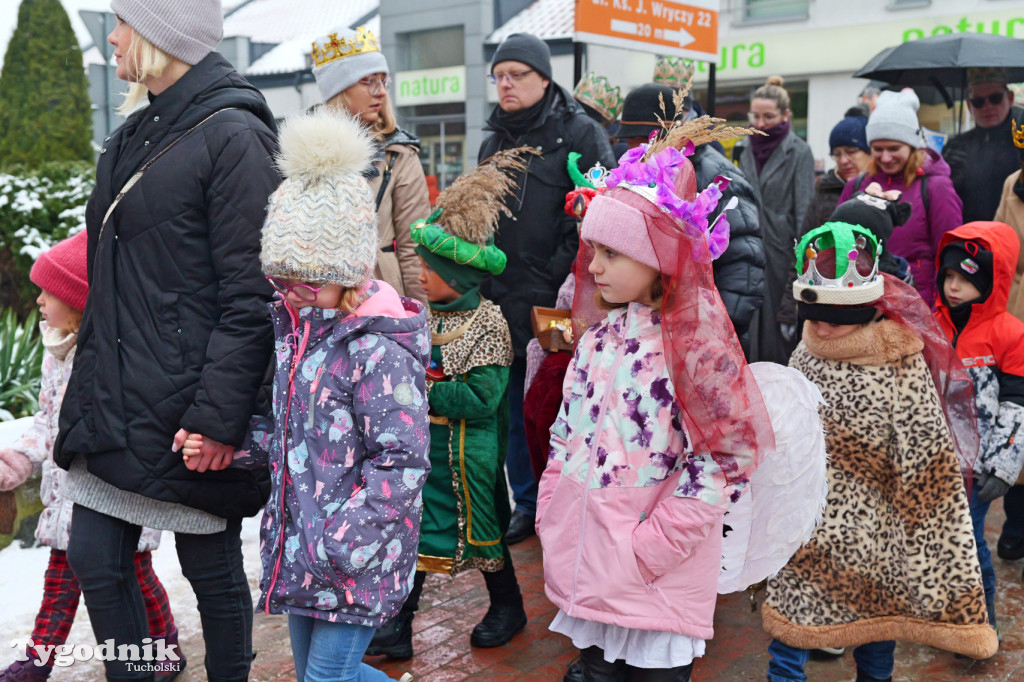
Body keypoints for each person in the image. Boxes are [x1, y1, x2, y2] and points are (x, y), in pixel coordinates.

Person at [53, 2, 279, 679]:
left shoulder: (234, 136)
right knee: (95, 556)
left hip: (189, 411)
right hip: (118, 398)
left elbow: (253, 298)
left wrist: (217, 420)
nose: (113, 37)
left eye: (123, 23)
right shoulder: (135, 132)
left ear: (160, 34)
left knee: (208, 564)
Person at [189, 109, 426, 682]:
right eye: (283, 279)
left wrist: (345, 539)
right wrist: (236, 447)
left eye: (309, 280)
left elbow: (401, 461)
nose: (293, 293)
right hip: (305, 550)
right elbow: (289, 430)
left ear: (348, 268)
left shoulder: (378, 349)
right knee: (316, 676)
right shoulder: (301, 335)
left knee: (324, 678)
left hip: (353, 555)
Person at [538, 123, 776, 681]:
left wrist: (653, 545)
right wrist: (553, 499)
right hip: (592, 561)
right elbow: (566, 428)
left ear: (660, 257)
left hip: (652, 572)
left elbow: (728, 456)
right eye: (592, 250)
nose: (593, 267)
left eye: (611, 253)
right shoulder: (597, 336)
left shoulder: (696, 348)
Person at [764, 222, 998, 681]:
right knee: (788, 633)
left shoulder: (898, 361)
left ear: (867, 313)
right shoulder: (807, 351)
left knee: (874, 633)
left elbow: (926, 455)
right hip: (804, 525)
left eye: (835, 319)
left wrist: (922, 532)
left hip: (873, 528)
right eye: (815, 318)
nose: (823, 329)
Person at [367, 149, 534, 661]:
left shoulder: (488, 321)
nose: (419, 276)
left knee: (481, 535)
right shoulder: (419, 315)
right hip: (427, 453)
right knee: (416, 533)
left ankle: (508, 606)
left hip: (468, 456)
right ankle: (399, 625)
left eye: (430, 270)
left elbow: (483, 398)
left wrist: (420, 391)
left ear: (458, 278)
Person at [0, 232, 179, 682]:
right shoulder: (55, 351)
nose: (38, 299)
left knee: (138, 578)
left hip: (112, 495)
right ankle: (38, 662)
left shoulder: (110, 357)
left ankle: (164, 647)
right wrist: (18, 459)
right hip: (65, 496)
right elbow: (46, 421)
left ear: (78, 301)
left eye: (48, 291)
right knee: (59, 582)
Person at [478, 32, 616, 545]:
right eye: (498, 76)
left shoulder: (578, 133)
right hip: (501, 296)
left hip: (558, 299)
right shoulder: (493, 140)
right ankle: (528, 501)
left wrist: (552, 274)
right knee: (514, 400)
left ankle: (568, 496)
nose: (505, 84)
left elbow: (595, 214)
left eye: (516, 75)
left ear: (543, 79)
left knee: (559, 393)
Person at [614, 82, 765, 352]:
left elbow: (744, 262)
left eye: (638, 137)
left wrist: (717, 333)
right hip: (651, 332)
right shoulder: (640, 175)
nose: (630, 145)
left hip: (703, 337)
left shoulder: (713, 177)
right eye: (627, 137)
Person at [934, 221, 1024, 634]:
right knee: (939, 544)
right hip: (934, 461)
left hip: (979, 468)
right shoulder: (931, 324)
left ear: (991, 281)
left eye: (966, 279)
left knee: (968, 545)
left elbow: (1017, 406)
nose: (953, 287)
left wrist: (1004, 468)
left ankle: (979, 622)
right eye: (948, 276)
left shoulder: (1009, 334)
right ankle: (949, 616)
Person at [312, 25, 428, 303]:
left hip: (380, 298)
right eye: (368, 81)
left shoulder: (398, 154)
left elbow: (415, 248)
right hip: (314, 299)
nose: (380, 92)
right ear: (340, 89)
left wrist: (419, 323)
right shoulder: (301, 151)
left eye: (383, 81)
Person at [839, 89, 963, 308]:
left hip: (916, 304)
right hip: (861, 303)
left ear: (912, 145)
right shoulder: (857, 185)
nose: (885, 157)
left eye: (894, 148)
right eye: (878, 149)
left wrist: (938, 309)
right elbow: (837, 240)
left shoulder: (936, 187)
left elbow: (949, 254)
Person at [735, 75, 815, 364]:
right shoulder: (742, 148)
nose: (760, 123)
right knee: (746, 330)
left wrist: (800, 265)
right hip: (747, 250)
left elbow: (805, 212)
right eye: (755, 115)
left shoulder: (799, 152)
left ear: (786, 115)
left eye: (768, 116)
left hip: (782, 257)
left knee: (777, 340)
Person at [943, 68, 1024, 224]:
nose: (987, 106)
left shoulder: (1020, 142)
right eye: (978, 101)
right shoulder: (956, 146)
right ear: (969, 105)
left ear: (1010, 98)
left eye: (995, 98)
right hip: (969, 239)